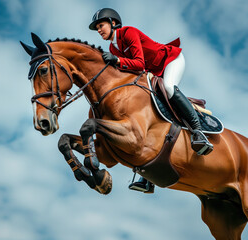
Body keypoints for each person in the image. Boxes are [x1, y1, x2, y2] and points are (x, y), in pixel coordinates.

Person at [89, 8, 213, 193]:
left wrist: (116, 61)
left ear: (113, 23)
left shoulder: (128, 32)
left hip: (170, 61)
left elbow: (139, 63)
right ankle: (147, 178)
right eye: (97, 27)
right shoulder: (113, 47)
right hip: (151, 73)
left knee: (169, 88)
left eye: (101, 25)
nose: (99, 30)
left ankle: (197, 132)